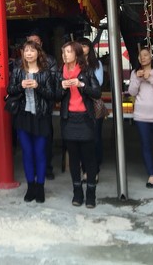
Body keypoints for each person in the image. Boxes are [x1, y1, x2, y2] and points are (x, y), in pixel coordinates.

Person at [54, 41, 101, 208]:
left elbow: (96, 92)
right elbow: (55, 96)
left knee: (89, 157)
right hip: (68, 119)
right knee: (73, 158)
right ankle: (77, 192)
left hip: (85, 118)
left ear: (77, 54)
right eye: (63, 52)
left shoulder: (86, 70)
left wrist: (81, 85)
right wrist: (62, 87)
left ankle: (91, 194)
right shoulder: (60, 71)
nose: (65, 55)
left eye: (68, 52)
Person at [7, 40, 55, 203]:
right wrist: (20, 85)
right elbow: (10, 90)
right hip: (23, 116)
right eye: (26, 50)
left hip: (41, 116)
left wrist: (38, 86)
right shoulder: (18, 71)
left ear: (38, 53)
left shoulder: (45, 72)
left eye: (32, 50)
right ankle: (30, 186)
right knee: (27, 153)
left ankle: (40, 186)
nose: (28, 53)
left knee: (40, 152)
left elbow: (52, 95)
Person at [128, 45, 153, 189]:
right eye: (140, 56)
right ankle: (151, 174)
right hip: (141, 115)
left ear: (152, 56)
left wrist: (150, 78)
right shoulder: (134, 73)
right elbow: (132, 92)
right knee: (145, 145)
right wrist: (138, 79)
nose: (143, 58)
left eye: (146, 55)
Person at [27, 33, 57, 180]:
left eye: (36, 42)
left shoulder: (49, 60)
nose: (33, 45)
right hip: (27, 108)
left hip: (44, 106)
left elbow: (53, 82)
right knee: (29, 140)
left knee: (45, 139)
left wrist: (39, 83)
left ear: (41, 44)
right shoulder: (21, 63)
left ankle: (47, 168)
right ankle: (33, 170)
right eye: (30, 42)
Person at [78, 37, 104, 183]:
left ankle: (95, 170)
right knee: (82, 138)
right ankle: (85, 170)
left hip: (93, 103)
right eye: (80, 45)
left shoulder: (96, 64)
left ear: (89, 48)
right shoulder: (74, 63)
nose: (82, 48)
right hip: (78, 104)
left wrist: (82, 83)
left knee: (95, 138)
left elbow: (98, 83)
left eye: (85, 45)